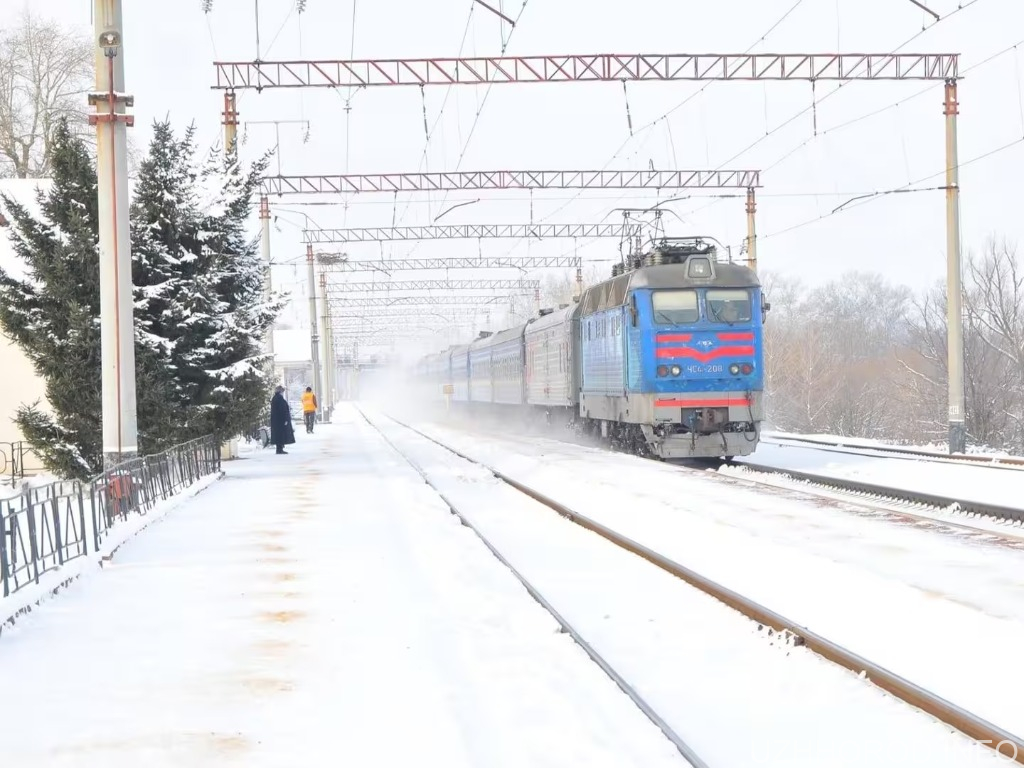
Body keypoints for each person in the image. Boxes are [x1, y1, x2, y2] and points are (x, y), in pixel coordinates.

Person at [270, 385, 295, 455]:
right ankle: (279, 449)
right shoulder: (279, 399)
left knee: (279, 434)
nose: (283, 393)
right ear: (280, 391)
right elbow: (282, 410)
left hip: (277, 420)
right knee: (280, 434)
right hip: (280, 420)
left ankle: (280, 448)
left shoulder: (276, 398)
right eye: (282, 391)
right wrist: (285, 419)